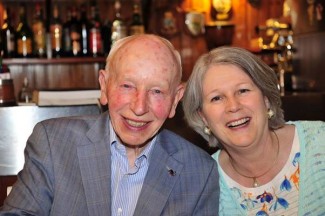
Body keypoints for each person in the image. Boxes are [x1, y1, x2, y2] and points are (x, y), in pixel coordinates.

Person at [0, 34, 220, 215]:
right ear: (104, 87)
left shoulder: (199, 171)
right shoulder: (53, 143)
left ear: (175, 99)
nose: (139, 107)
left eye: (157, 91)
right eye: (127, 86)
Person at [182, 46, 325, 215]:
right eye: (217, 98)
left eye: (243, 91)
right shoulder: (203, 185)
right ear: (204, 117)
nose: (233, 106)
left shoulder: (319, 143)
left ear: (265, 98)